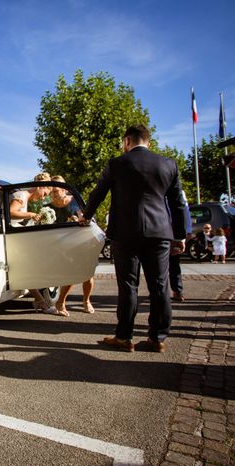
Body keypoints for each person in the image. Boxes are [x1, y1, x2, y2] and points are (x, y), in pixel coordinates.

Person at [80, 125, 186, 353]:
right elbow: (178, 204)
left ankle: (124, 337)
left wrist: (86, 216)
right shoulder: (168, 164)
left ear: (127, 140)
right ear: (148, 141)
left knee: (128, 285)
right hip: (160, 233)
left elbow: (98, 193)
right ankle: (157, 338)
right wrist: (180, 236)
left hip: (125, 232)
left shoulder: (117, 164)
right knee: (160, 286)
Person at [10, 172, 57, 314]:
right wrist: (30, 215)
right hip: (5, 234)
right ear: (39, 187)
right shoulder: (22, 195)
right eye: (44, 193)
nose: (43, 197)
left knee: (26, 265)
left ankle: (40, 300)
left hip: (12, 233)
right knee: (25, 265)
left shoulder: (25, 197)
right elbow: (11, 212)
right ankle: (40, 301)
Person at [49, 175, 95, 316]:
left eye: (57, 190)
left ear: (65, 190)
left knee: (88, 275)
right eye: (52, 190)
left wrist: (80, 219)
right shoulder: (48, 208)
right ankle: (61, 301)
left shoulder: (76, 201)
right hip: (59, 246)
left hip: (80, 241)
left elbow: (89, 218)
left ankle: (86, 300)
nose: (54, 193)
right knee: (70, 274)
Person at [170, 191, 192, 302]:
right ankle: (156, 290)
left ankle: (177, 290)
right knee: (155, 263)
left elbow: (184, 210)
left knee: (174, 262)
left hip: (173, 230)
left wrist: (187, 230)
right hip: (157, 229)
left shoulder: (178, 191)